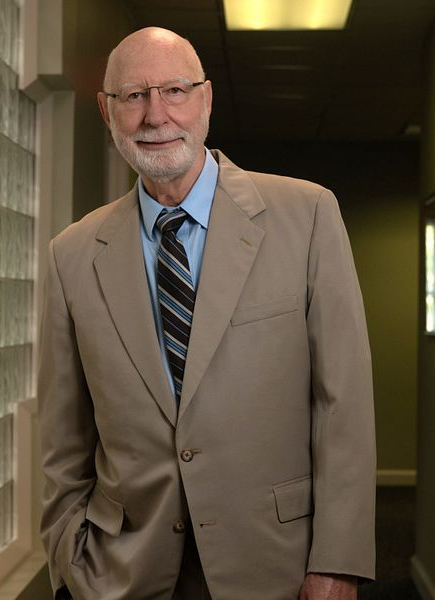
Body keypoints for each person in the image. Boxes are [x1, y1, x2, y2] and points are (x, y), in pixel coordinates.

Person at [38, 26, 376, 600]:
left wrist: (338, 562)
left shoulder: (308, 215)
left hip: (275, 566)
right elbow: (64, 437)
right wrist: (70, 561)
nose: (155, 115)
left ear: (207, 99)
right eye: (133, 96)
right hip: (124, 572)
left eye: (174, 90)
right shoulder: (72, 254)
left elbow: (342, 404)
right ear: (106, 110)